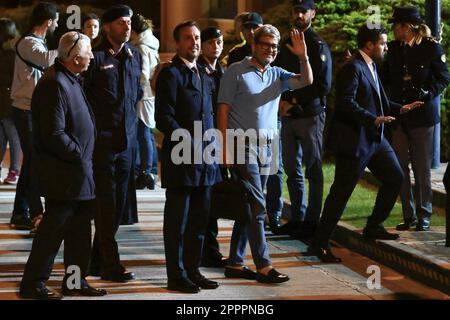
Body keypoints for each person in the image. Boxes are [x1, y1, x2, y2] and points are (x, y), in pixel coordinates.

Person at [309, 25, 424, 263]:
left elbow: (379, 100)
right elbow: (345, 103)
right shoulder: (353, 68)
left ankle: (374, 225)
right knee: (341, 193)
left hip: (376, 139)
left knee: (395, 176)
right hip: (355, 141)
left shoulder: (370, 65)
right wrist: (372, 118)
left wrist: (400, 108)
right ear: (369, 45)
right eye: (382, 43)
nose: (385, 47)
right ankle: (318, 244)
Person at [217, 24, 313, 283]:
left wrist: (303, 56)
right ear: (254, 45)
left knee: (248, 206)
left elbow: (306, 81)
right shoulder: (235, 72)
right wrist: (223, 148)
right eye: (265, 45)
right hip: (241, 147)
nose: (270, 50)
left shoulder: (277, 74)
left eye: (274, 46)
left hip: (267, 149)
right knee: (259, 207)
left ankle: (235, 263)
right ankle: (264, 265)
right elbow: (223, 110)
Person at [19, 31, 107, 300]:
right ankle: (33, 284)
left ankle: (74, 281)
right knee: (52, 232)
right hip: (65, 173)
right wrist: (79, 154)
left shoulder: (69, 78)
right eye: (88, 51)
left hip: (78, 171)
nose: (92, 56)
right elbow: (53, 133)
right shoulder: (54, 83)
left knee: (79, 231)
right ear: (75, 56)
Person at [155, 20, 222, 293]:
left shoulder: (205, 74)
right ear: (177, 43)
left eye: (196, 37)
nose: (194, 42)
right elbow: (164, 117)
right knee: (177, 223)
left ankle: (193, 270)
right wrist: (188, 140)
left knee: (199, 222)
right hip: (182, 160)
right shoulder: (172, 74)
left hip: (205, 160)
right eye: (188, 38)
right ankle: (176, 275)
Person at [84, 5, 142, 283]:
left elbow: (136, 94)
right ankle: (110, 263)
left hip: (126, 142)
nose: (127, 27)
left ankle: (95, 260)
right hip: (102, 143)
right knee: (106, 204)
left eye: (129, 22)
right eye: (121, 22)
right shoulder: (94, 57)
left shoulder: (134, 55)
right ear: (107, 27)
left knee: (118, 206)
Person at [382, 6, 450, 232]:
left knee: (421, 167)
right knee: (401, 167)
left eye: (396, 25)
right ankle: (408, 215)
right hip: (401, 116)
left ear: (406, 27)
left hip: (422, 116)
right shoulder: (394, 49)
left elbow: (443, 78)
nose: (393, 29)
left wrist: (427, 93)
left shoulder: (430, 48)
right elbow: (386, 79)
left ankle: (424, 214)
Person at [274, 0, 332, 239]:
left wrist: (295, 101)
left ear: (312, 14)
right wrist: (282, 102)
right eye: (295, 10)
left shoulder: (317, 45)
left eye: (303, 11)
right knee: (291, 169)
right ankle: (297, 217)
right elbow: (279, 75)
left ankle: (312, 221)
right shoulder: (287, 42)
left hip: (309, 116)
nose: (298, 15)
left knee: (314, 170)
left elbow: (323, 85)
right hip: (288, 116)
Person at [10, 2, 59, 232]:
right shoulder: (29, 43)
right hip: (25, 109)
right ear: (48, 22)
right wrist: (72, 46)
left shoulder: (37, 42)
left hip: (32, 109)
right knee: (33, 160)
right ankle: (34, 212)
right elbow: (47, 60)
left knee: (31, 161)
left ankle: (21, 212)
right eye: (55, 21)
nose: (57, 24)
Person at [196, 26, 227, 268]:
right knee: (202, 202)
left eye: (219, 42)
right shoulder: (198, 70)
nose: (216, 46)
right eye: (211, 42)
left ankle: (211, 249)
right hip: (201, 143)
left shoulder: (222, 71)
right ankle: (202, 250)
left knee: (213, 200)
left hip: (219, 141)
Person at [130, 13, 159, 190]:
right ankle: (151, 169)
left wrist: (137, 91)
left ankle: (146, 171)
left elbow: (142, 73)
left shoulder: (141, 47)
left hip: (143, 94)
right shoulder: (151, 43)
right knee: (147, 132)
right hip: (149, 94)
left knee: (143, 132)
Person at [0, 18, 22, 185]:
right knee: (6, 136)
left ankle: (14, 170)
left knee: (11, 135)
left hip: (8, 100)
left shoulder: (11, 53)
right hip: (8, 99)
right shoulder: (16, 51)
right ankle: (12, 170)